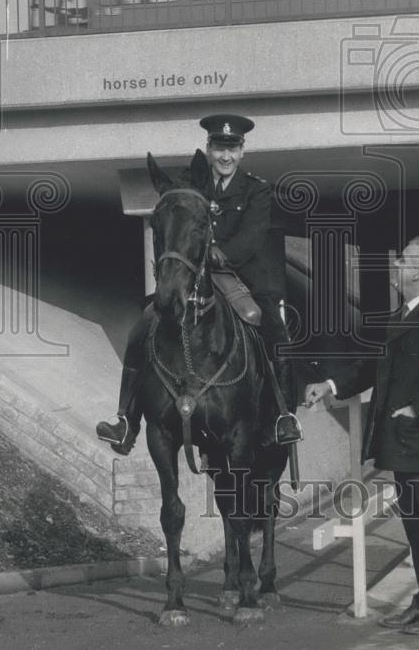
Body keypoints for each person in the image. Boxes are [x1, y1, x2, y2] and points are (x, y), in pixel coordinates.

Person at [96, 113, 300, 454]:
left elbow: (251, 238)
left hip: (241, 276)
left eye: (232, 149)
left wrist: (220, 254)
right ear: (208, 149)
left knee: (274, 328)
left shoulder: (256, 188)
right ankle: (126, 421)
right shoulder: (196, 182)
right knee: (145, 324)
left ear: (242, 152)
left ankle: (283, 416)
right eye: (219, 148)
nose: (225, 156)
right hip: (194, 276)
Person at [305, 236, 419, 636]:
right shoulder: (401, 315)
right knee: (415, 528)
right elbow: (370, 367)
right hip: (403, 441)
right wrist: (331, 384)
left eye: (404, 260)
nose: (396, 265)